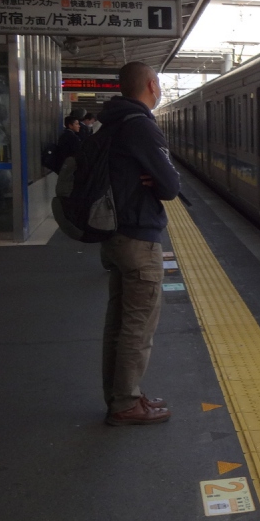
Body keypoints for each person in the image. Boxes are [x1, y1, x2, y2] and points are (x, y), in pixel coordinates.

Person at [97, 62, 180, 426]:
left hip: (114, 234)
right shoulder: (141, 125)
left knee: (118, 323)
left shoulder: (111, 122)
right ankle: (126, 403)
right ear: (150, 84)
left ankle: (120, 396)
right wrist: (158, 177)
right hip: (138, 238)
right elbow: (170, 186)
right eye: (158, 83)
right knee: (137, 325)